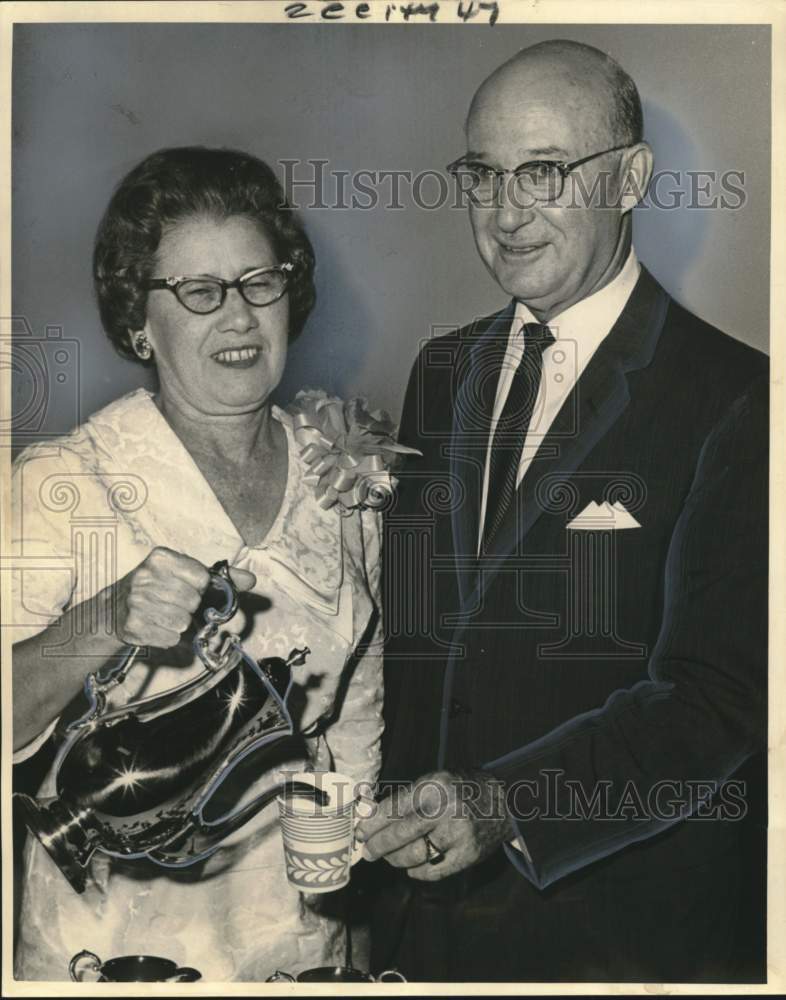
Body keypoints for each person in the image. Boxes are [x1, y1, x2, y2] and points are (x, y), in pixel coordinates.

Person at [359, 40, 768, 982]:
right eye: (484, 176)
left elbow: (719, 700)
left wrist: (503, 806)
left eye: (544, 172)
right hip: (423, 934)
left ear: (629, 179)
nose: (506, 214)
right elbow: (422, 646)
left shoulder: (739, 398)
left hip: (618, 941)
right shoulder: (441, 371)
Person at [12, 146, 387, 981]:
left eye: (260, 282)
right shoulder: (66, 482)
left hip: (299, 945)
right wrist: (104, 621)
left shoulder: (342, 476)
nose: (239, 317)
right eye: (198, 291)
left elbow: (356, 708)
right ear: (137, 321)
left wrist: (353, 866)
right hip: (116, 951)